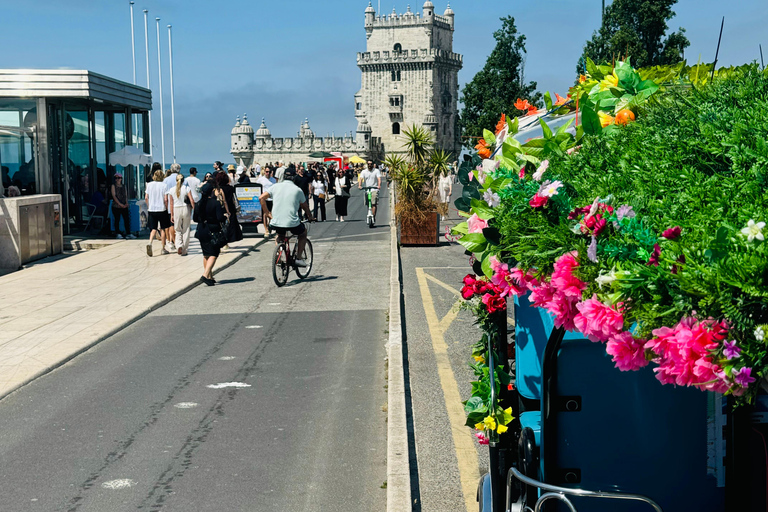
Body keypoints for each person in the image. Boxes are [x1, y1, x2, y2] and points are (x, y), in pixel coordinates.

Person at [259, 168, 313, 266]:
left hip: (275, 221)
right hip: (292, 223)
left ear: (283, 176)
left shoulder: (275, 187)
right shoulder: (297, 190)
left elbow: (261, 198)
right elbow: (305, 206)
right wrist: (310, 216)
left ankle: (279, 253)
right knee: (303, 233)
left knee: (280, 235)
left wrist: (267, 213)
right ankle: (299, 258)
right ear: (294, 177)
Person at [194, 172, 231, 285]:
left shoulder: (198, 204)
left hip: (201, 229)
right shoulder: (215, 203)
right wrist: (225, 216)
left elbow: (195, 218)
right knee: (214, 253)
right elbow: (219, 218)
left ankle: (209, 276)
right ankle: (205, 275)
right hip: (212, 229)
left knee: (206, 254)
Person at [145, 169, 171, 256]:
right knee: (162, 229)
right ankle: (163, 248)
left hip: (152, 209)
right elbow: (166, 199)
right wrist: (166, 208)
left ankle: (150, 242)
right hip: (162, 209)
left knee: (153, 228)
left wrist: (149, 206)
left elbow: (146, 197)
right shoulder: (164, 185)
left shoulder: (149, 185)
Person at [169, 173, 194, 255]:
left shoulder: (171, 190)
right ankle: (184, 249)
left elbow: (171, 203)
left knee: (177, 229)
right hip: (185, 208)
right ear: (183, 181)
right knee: (186, 229)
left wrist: (172, 215)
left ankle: (179, 245)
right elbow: (191, 200)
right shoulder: (187, 188)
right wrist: (194, 209)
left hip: (176, 209)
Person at [219, 171, 244, 244]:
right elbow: (233, 198)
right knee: (232, 223)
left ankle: (225, 238)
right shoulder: (230, 188)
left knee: (223, 224)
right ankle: (232, 237)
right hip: (231, 206)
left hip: (222, 207)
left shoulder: (218, 189)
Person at [110, 173, 134, 239]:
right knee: (117, 219)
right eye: (116, 178)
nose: (118, 179)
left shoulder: (124, 186)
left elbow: (126, 195)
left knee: (126, 219)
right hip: (116, 206)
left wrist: (126, 203)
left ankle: (128, 233)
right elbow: (114, 196)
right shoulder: (113, 186)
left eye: (119, 178)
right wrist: (120, 204)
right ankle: (117, 233)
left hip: (124, 205)